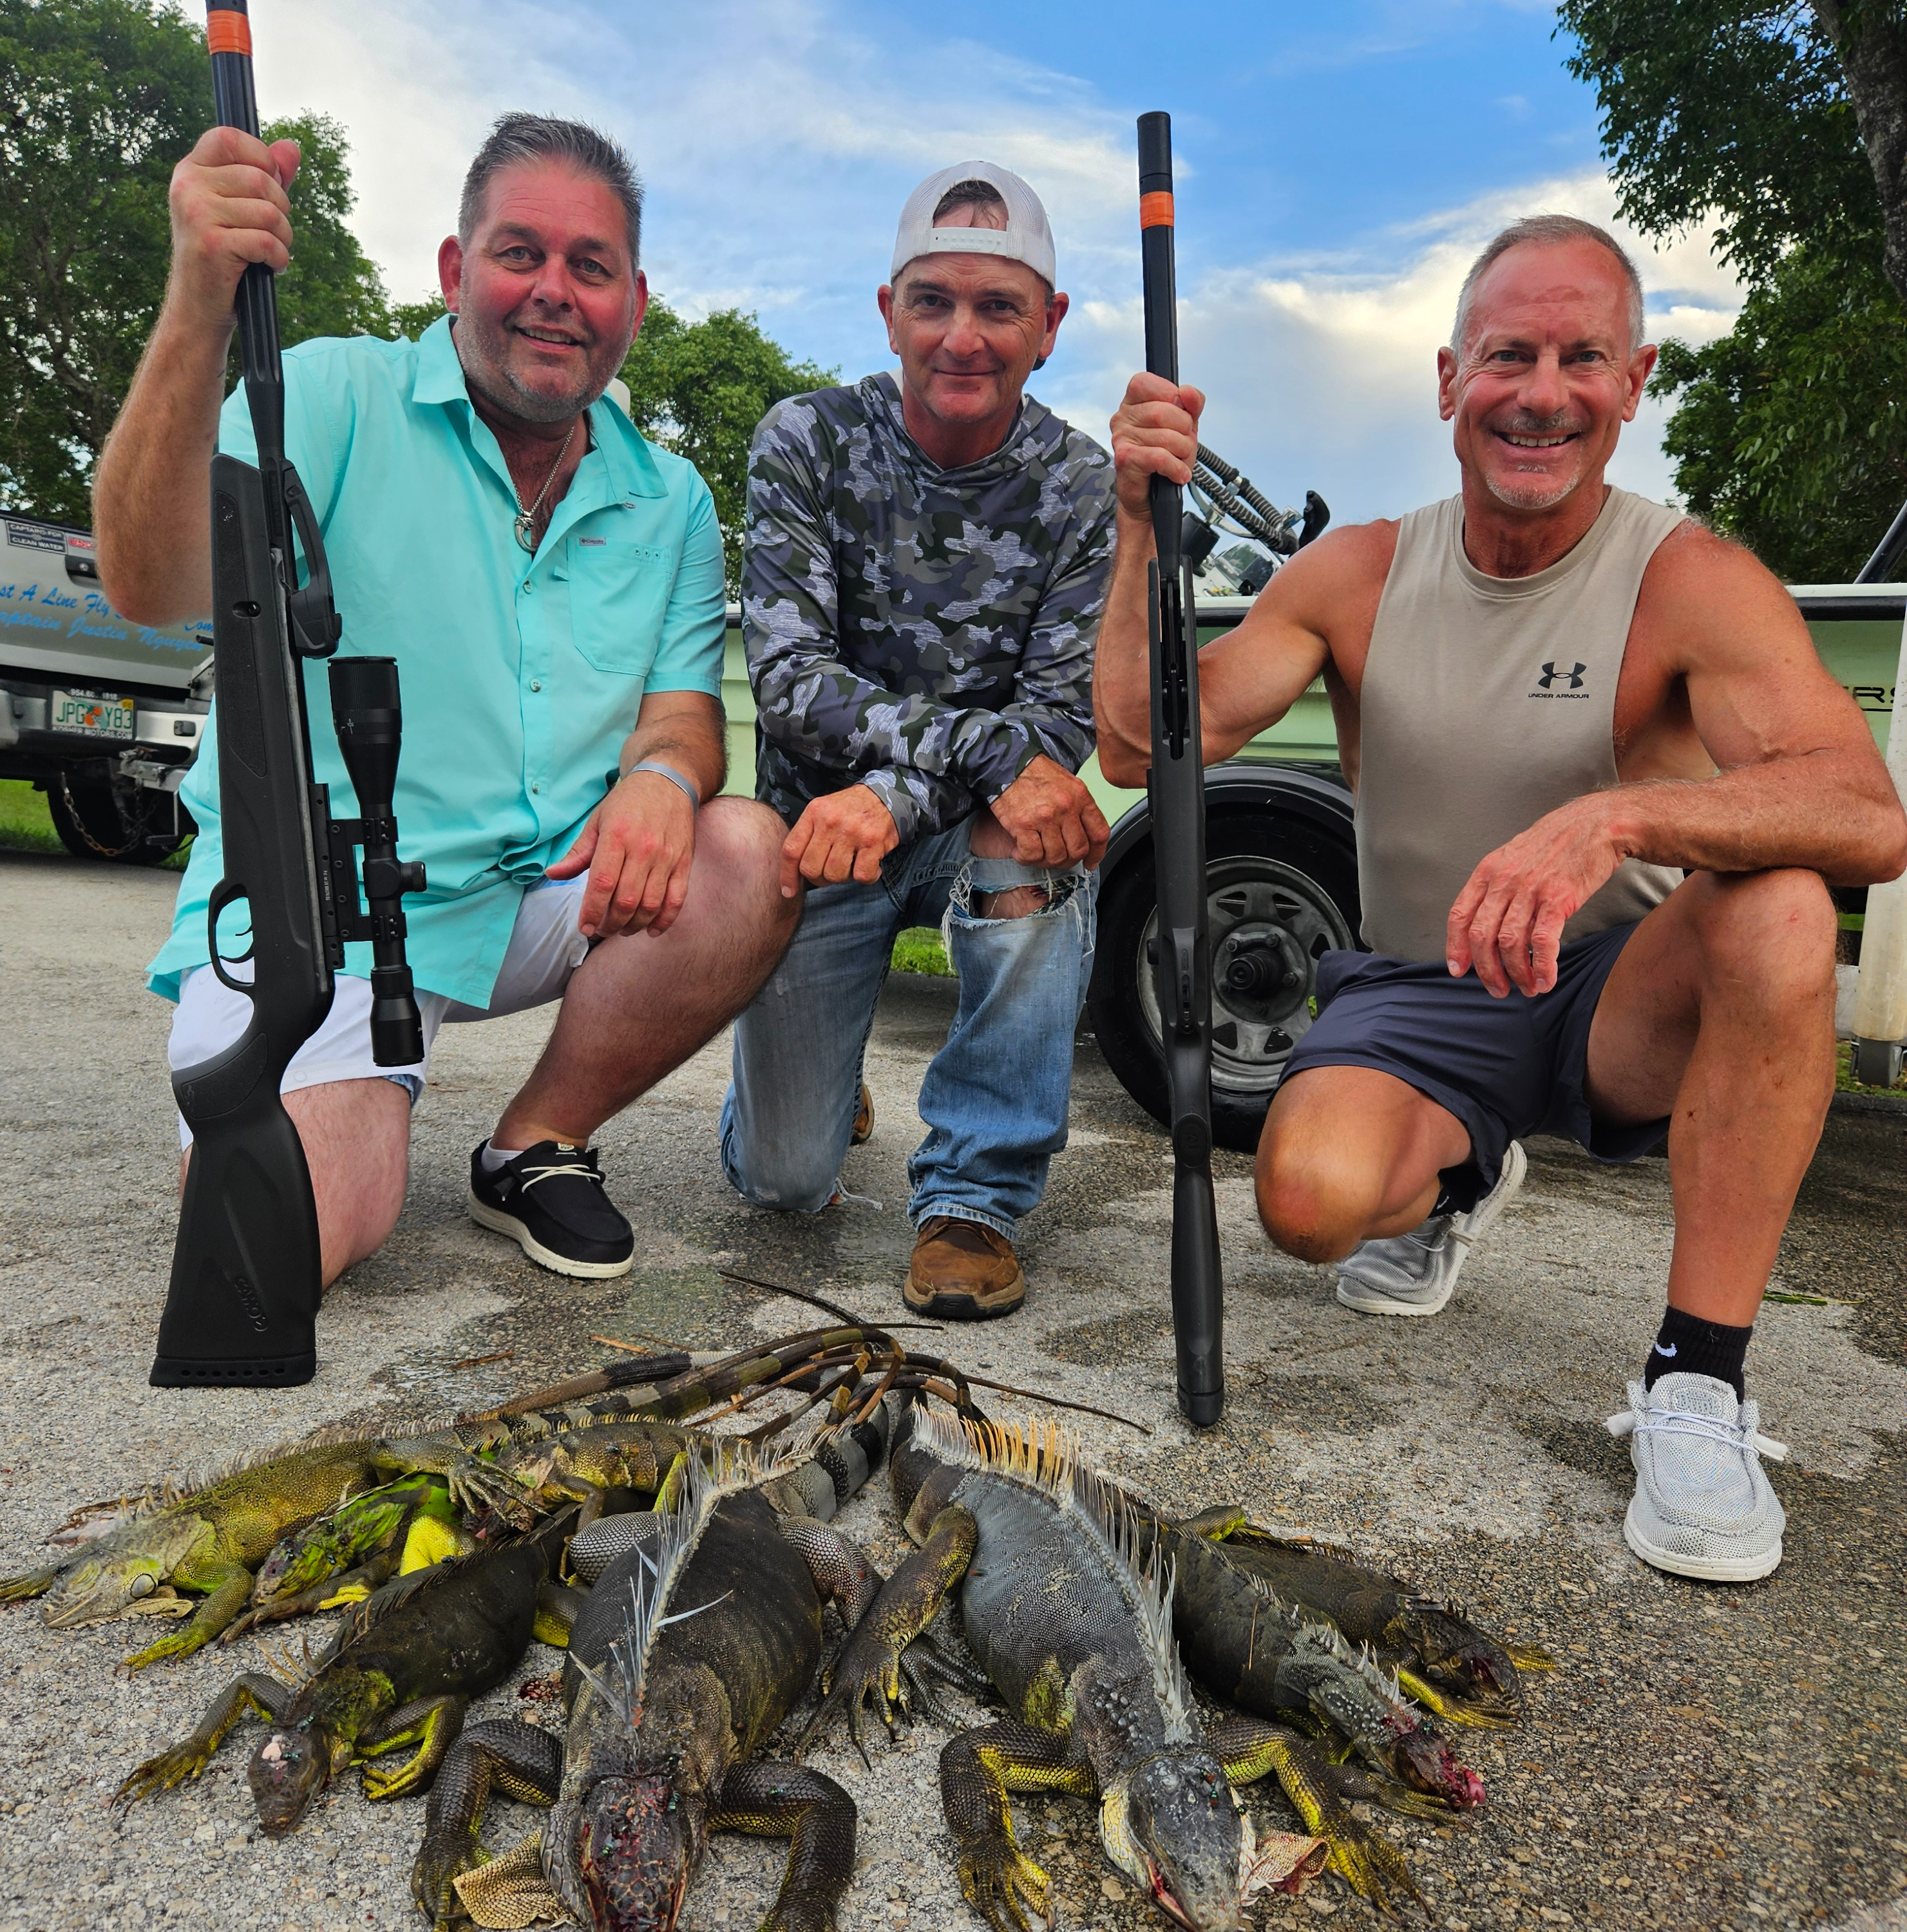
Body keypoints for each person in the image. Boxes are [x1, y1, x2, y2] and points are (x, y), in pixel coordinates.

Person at [1098, 214, 1907, 1581]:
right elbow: (1139, 742)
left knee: (1778, 904)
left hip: (1616, 994)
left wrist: (1621, 813)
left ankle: (1696, 1382)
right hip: (1423, 994)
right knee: (1306, 1204)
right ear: (1445, 380)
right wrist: (1136, 525)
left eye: (1582, 356)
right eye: (1507, 355)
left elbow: (1866, 814)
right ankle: (1461, 1173)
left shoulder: (1691, 577)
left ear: (1634, 380)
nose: (1541, 391)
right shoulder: (1357, 571)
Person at [97, 113, 797, 1290]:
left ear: (635, 298)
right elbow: (147, 583)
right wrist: (200, 298)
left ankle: (534, 1145)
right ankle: (352, 1097)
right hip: (329, 912)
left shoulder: (671, 496)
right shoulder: (325, 393)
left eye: (592, 266)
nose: (554, 292)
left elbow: (684, 713)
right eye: (520, 252)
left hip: (542, 894)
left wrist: (662, 782)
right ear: (453, 270)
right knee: (272, 1257)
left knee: (747, 854)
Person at [719, 162, 1115, 1321]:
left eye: (1000, 307)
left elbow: (1056, 719)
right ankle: (811, 1094)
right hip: (819, 840)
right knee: (781, 1183)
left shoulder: (1083, 484)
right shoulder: (806, 438)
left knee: (1036, 837)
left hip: (934, 830)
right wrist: (975, 760)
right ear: (888, 311)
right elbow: (790, 685)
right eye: (933, 300)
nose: (963, 336)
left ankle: (972, 1201)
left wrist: (901, 793)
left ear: (1049, 328)